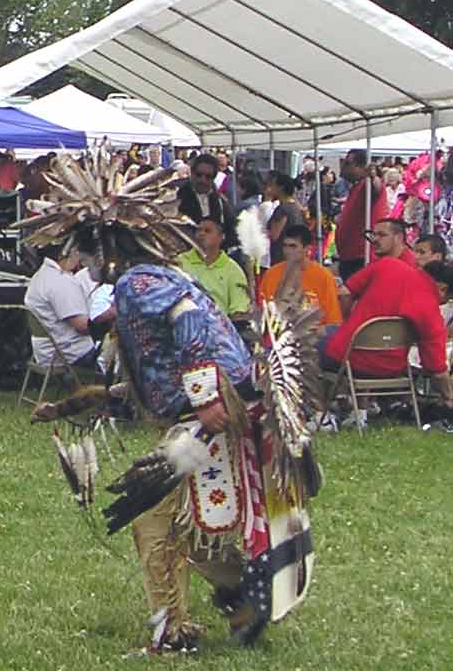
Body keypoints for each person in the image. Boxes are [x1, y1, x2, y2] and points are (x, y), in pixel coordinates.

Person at [22, 156, 322, 654]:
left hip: (215, 411)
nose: (85, 262)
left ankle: (178, 627)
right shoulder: (150, 280)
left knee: (154, 518)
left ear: (105, 246)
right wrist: (80, 403)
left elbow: (189, 323)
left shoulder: (140, 284)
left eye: (86, 250)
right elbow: (153, 371)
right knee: (190, 521)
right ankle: (243, 594)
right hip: (224, 407)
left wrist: (205, 399)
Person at [324, 218, 449, 388]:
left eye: (381, 235)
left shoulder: (387, 265)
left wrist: (347, 321)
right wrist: (448, 397)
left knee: (302, 339)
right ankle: (359, 412)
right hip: (392, 366)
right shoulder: (429, 306)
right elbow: (436, 363)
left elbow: (344, 293)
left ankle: (317, 410)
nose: (375, 239)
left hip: (348, 357)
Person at [24, 244, 99, 374]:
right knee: (122, 349)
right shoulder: (60, 281)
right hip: (68, 354)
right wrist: (111, 320)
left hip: (46, 351)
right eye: (76, 251)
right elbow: (83, 327)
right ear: (62, 255)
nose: (79, 256)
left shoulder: (40, 276)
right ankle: (121, 391)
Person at [256, 226, 342, 327]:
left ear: (307, 249)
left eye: (293, 246)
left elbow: (333, 321)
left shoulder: (324, 277)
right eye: (285, 246)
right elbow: (261, 312)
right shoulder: (271, 274)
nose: (287, 251)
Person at [177, 217, 252, 326]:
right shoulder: (179, 262)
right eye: (198, 230)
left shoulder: (232, 269)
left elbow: (238, 311)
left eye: (207, 231)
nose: (201, 234)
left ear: (221, 237)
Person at [334, 149, 386, 280]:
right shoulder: (356, 187)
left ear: (360, 167)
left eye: (348, 163)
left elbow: (377, 187)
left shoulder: (367, 185)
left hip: (361, 256)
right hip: (349, 255)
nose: (343, 167)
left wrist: (373, 177)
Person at [178, 153, 236, 245]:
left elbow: (231, 232)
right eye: (199, 175)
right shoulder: (177, 197)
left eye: (208, 176)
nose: (203, 180)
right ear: (191, 173)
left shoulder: (221, 202)